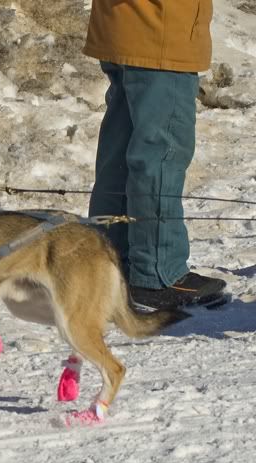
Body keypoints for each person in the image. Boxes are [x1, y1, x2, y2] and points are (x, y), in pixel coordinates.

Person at [83, 0, 227, 311]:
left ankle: (109, 263)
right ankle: (158, 274)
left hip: (126, 26)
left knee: (120, 156)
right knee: (160, 155)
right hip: (161, 30)